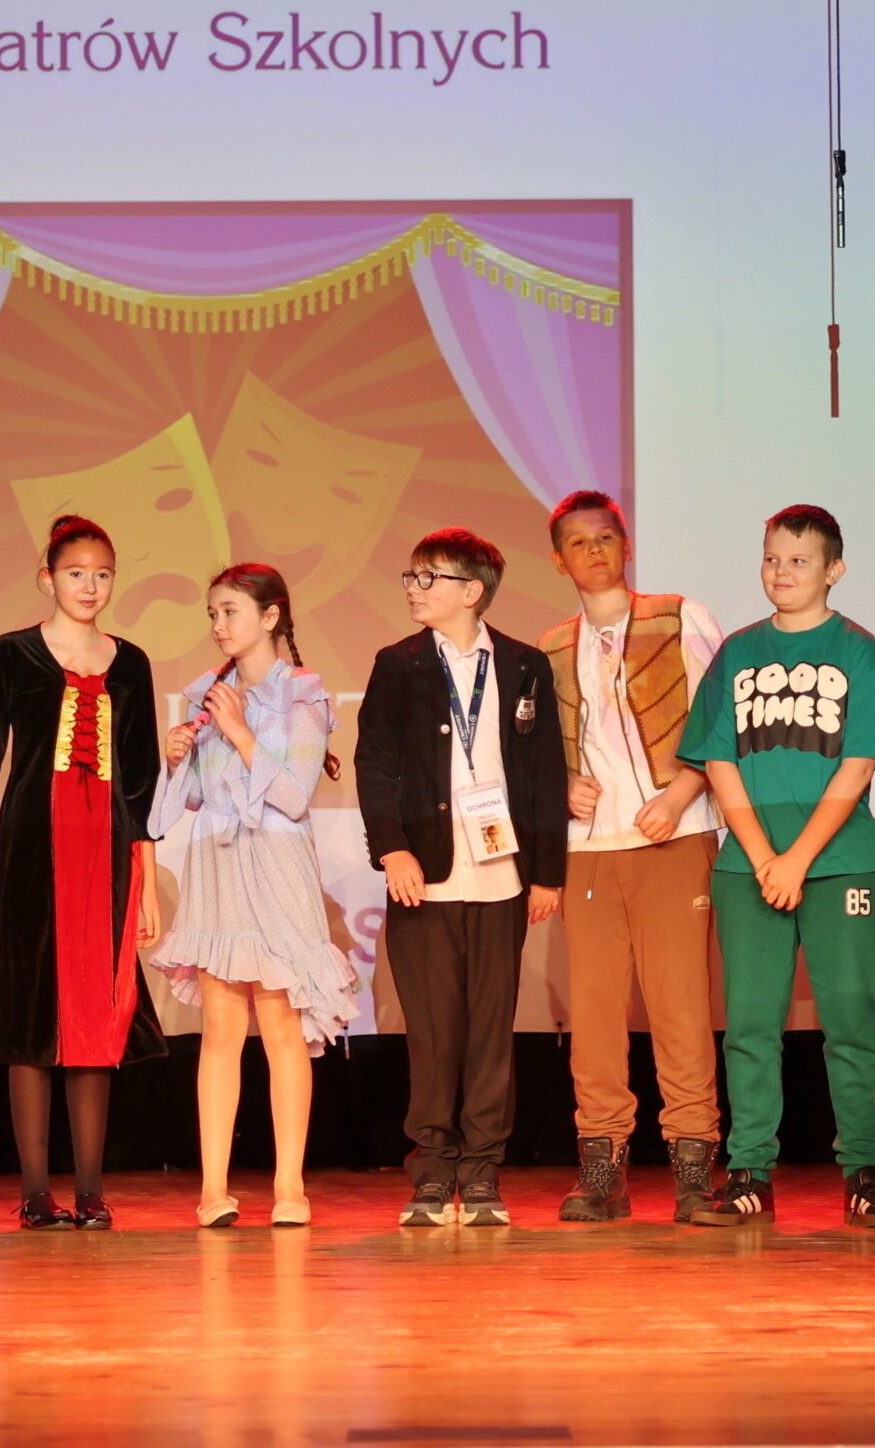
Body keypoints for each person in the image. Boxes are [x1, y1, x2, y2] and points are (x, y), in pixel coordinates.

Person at [678, 505, 875, 1228]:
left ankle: (864, 1172)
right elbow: (717, 760)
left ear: (833, 569)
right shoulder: (737, 652)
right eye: (772, 558)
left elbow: (859, 765)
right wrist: (763, 858)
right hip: (749, 869)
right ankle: (749, 1170)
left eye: (799, 560)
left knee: (851, 1019)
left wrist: (799, 859)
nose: (782, 572)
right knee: (750, 1024)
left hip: (839, 864)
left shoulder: (860, 651)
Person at [354, 527, 568, 1229]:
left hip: (503, 876)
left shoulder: (525, 664)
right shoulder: (398, 664)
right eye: (411, 576)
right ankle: (432, 1170)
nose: (414, 589)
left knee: (489, 1034)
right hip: (425, 876)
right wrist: (392, 850)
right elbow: (374, 763)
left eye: (430, 578)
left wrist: (548, 872)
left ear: (472, 591)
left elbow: (544, 773)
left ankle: (480, 1172)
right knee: (433, 1033)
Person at [0, 516, 165, 1230]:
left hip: (106, 857)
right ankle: (36, 1192)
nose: (90, 586)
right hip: (28, 852)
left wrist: (148, 882)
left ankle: (91, 1191)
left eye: (102, 574)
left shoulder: (130, 663)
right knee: (30, 1015)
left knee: (95, 1018)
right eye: (76, 573)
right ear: (48, 577)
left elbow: (143, 783)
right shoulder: (14, 652)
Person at [149, 564, 361, 1228]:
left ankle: (289, 1186)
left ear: (271, 617)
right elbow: (177, 808)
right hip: (216, 865)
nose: (219, 625)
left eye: (231, 611)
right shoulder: (207, 695)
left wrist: (240, 732)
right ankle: (213, 1188)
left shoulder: (302, 694)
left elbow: (294, 796)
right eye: (213, 613)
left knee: (279, 1024)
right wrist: (176, 759)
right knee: (219, 1029)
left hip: (275, 863)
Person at [537, 491, 728, 1224]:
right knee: (593, 1014)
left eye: (604, 537)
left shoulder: (679, 616)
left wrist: (679, 794)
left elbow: (719, 718)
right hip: (590, 848)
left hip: (673, 836)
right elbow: (540, 749)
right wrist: (562, 785)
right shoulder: (553, 647)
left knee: (680, 1006)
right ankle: (602, 1165)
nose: (593, 551)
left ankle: (692, 1164)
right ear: (559, 560)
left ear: (626, 545)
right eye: (577, 542)